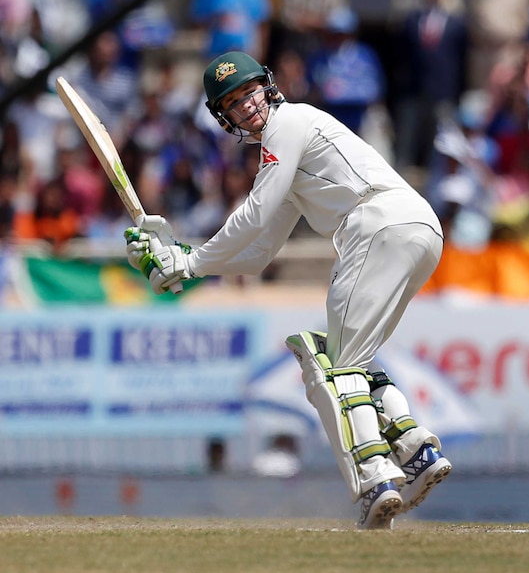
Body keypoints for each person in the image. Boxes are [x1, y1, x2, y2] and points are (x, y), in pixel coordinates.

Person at [123, 51, 452, 529]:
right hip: (418, 229)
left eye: (249, 91)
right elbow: (258, 253)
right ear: (225, 118)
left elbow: (254, 213)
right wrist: (185, 265)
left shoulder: (289, 122)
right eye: (233, 103)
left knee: (333, 369)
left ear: (268, 87)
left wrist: (190, 259)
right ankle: (415, 450)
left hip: (379, 224)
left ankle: (377, 478)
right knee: (353, 356)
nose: (247, 105)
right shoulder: (292, 154)